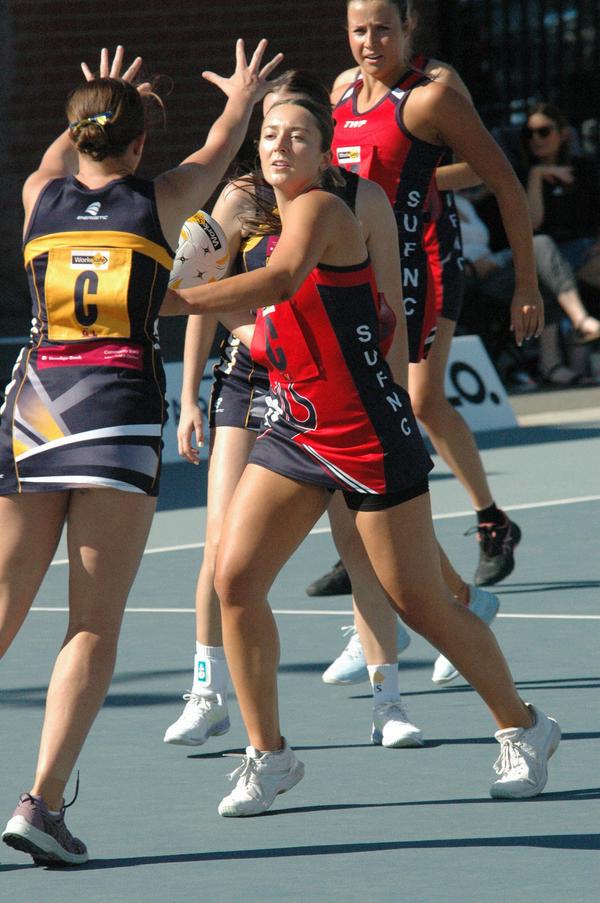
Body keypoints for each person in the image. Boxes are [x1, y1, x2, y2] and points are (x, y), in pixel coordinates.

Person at [168, 95, 560, 817]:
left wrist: (168, 301)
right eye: (270, 135)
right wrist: (195, 290)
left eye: (298, 137)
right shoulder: (257, 222)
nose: (279, 146)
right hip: (297, 430)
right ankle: (269, 755)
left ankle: (524, 726)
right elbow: (262, 326)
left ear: (326, 154)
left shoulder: (321, 210)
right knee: (235, 579)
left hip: (367, 433)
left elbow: (281, 283)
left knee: (421, 602)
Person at [0, 40, 282, 866]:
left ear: (76, 135)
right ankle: (42, 801)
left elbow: (61, 152)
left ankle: (45, 802)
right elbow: (219, 150)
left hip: (35, 413)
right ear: (139, 144)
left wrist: (101, 95)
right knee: (90, 624)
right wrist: (243, 97)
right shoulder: (160, 201)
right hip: (117, 418)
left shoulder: (38, 196)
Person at [308, 0, 531, 602]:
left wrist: (409, 173)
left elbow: (483, 169)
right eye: (359, 30)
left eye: (383, 28)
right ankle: (362, 542)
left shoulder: (437, 86)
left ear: (408, 26)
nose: (371, 40)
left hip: (426, 253)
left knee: (420, 400)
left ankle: (489, 520)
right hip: (361, 263)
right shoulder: (342, 89)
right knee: (360, 402)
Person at [457, 191, 600, 387]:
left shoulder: (463, 202)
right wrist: (469, 266)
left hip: (494, 264)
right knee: (540, 246)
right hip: (468, 276)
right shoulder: (428, 203)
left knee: (543, 262)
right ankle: (580, 322)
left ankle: (551, 364)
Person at [519, 101, 600, 339]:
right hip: (546, 258)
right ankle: (581, 321)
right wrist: (536, 175)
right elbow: (532, 225)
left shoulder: (584, 168)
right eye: (529, 133)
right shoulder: (520, 175)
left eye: (544, 131)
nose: (536, 139)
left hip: (585, 250)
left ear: (562, 134)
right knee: (540, 243)